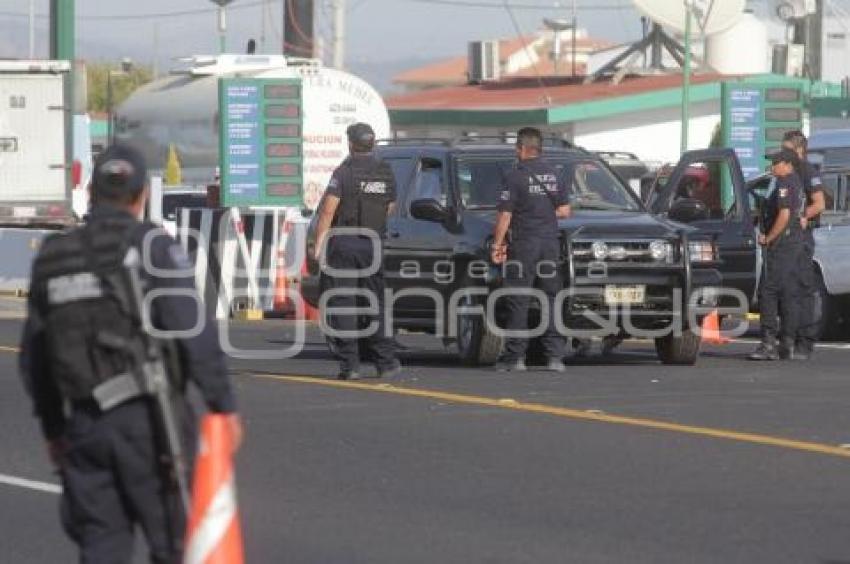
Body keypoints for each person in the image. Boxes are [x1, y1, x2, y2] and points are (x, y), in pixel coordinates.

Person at [19, 145, 241, 563]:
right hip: (151, 422)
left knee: (101, 546)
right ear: (141, 195)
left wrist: (53, 429)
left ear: (90, 192)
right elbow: (193, 331)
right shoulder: (150, 246)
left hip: (83, 423)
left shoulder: (54, 255)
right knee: (173, 543)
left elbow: (35, 358)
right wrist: (222, 406)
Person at [313, 122, 401, 380]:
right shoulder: (386, 171)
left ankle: (350, 366)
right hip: (372, 243)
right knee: (375, 302)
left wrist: (319, 244)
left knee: (343, 303)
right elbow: (390, 206)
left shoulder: (343, 172)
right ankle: (385, 362)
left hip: (343, 243)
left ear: (351, 143)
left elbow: (328, 211)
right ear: (372, 143)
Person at [491, 127, 571, 372]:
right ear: (540, 148)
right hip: (549, 243)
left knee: (519, 299)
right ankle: (555, 357)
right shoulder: (554, 174)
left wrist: (497, 245)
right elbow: (565, 211)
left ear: (521, 148)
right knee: (550, 299)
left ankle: (515, 358)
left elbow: (505, 214)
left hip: (524, 244)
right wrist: (542, 213)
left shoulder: (515, 175)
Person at [749, 148, 806, 361]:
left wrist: (768, 238)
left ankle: (767, 344)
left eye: (775, 162)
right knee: (788, 293)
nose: (772, 166)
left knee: (768, 292)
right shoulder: (797, 182)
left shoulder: (784, 183)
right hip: (794, 244)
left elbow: (784, 214)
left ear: (787, 164)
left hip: (781, 245)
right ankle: (787, 343)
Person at [782, 130, 825, 359]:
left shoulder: (807, 171)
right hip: (787, 240)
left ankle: (805, 342)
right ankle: (788, 338)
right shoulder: (786, 172)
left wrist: (802, 217)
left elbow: (819, 204)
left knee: (804, 288)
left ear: (800, 150)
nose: (783, 153)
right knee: (788, 289)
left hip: (802, 238)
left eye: (787, 149)